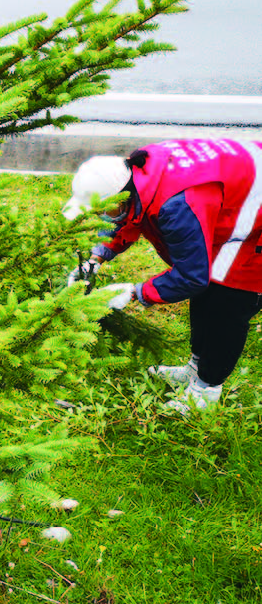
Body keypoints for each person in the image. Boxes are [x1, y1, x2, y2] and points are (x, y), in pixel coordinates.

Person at [63, 139, 262, 411]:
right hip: (237, 192)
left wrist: (136, 292)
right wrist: (96, 258)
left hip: (255, 219)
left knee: (227, 302)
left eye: (102, 210)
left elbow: (192, 276)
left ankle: (206, 392)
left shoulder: (178, 205)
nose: (101, 216)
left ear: (122, 197)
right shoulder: (141, 176)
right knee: (208, 291)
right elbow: (130, 216)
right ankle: (195, 369)